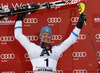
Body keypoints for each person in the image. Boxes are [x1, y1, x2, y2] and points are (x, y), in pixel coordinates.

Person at [14, 12, 86, 73]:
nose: (46, 37)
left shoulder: (56, 50)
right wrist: (20, 18)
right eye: (44, 34)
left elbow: (71, 40)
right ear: (40, 37)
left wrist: (79, 25)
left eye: (48, 35)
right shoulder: (32, 48)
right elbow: (18, 35)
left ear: (51, 38)